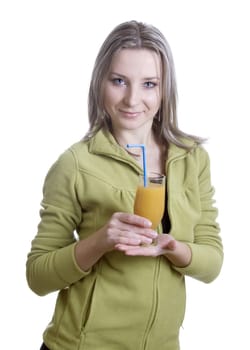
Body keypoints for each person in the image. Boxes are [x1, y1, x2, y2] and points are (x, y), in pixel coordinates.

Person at [26, 20, 223, 350]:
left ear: (165, 89)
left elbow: (212, 262)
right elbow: (38, 276)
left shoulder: (193, 159)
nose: (133, 99)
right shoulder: (75, 165)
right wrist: (101, 240)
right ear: (100, 83)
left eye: (149, 84)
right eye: (119, 81)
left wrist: (174, 248)